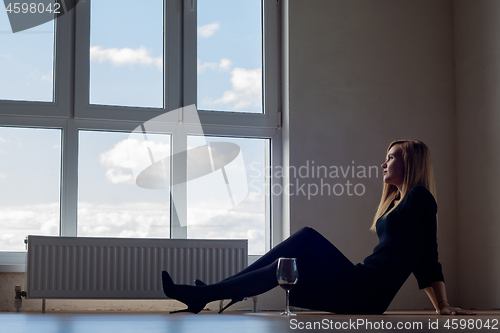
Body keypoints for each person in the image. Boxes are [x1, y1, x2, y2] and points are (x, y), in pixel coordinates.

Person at [162, 140, 475, 315]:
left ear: (410, 163)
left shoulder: (420, 198)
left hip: (365, 292)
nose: (383, 163)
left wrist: (442, 305)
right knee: (284, 265)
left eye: (391, 157)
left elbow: (426, 256)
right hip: (361, 286)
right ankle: (208, 293)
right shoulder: (398, 202)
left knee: (303, 243)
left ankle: (206, 293)